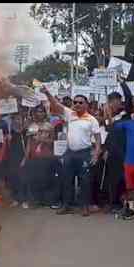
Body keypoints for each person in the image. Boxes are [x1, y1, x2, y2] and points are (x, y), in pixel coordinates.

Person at [42, 87, 101, 216]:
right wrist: (47, 93)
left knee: (85, 181)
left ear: (86, 105)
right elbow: (55, 104)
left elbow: (97, 139)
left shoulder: (92, 120)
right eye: (75, 102)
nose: (77, 104)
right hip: (70, 153)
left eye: (81, 102)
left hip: (84, 153)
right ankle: (66, 205)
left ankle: (84, 206)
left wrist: (96, 154)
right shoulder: (69, 114)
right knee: (66, 180)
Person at [103, 78, 134, 213]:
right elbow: (109, 135)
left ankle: (126, 204)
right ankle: (113, 203)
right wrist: (106, 150)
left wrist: (122, 83)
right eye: (112, 101)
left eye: (117, 101)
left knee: (124, 179)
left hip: (125, 152)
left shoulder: (126, 115)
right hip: (112, 153)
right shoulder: (108, 118)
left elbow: (129, 97)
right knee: (113, 179)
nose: (115, 104)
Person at [20, 105, 55, 208]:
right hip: (33, 157)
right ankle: (35, 201)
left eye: (41, 111)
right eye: (37, 112)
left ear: (45, 113)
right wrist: (25, 158)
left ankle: (45, 201)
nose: (39, 113)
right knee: (33, 180)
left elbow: (53, 142)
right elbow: (28, 144)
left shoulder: (49, 126)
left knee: (45, 179)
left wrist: (42, 140)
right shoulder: (31, 126)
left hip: (46, 157)